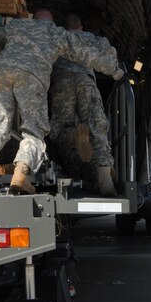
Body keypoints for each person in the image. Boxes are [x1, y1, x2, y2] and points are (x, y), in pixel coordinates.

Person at [0, 10, 123, 195]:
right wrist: (116, 71)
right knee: (34, 130)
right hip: (33, 78)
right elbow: (85, 54)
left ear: (33, 18)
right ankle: (21, 173)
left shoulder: (16, 25)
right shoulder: (56, 33)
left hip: (1, 74)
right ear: (52, 21)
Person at [50, 13, 118, 195]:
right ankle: (103, 171)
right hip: (86, 82)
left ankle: (77, 168)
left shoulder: (58, 38)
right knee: (96, 127)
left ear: (64, 27)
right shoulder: (93, 39)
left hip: (62, 84)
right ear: (81, 28)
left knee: (61, 130)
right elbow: (111, 59)